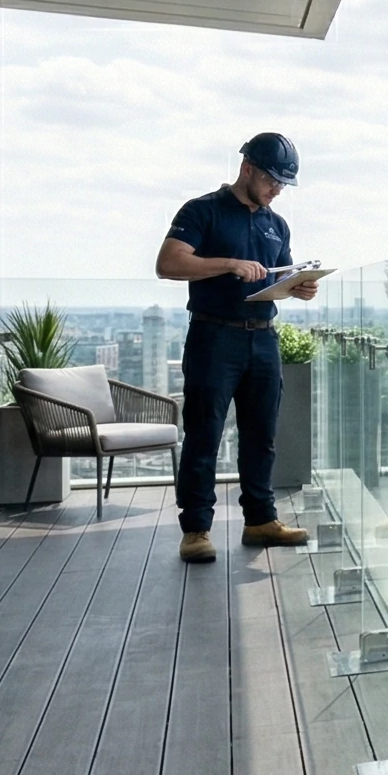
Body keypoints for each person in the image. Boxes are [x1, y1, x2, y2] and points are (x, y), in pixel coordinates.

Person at [156, 132, 317, 564]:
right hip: (214, 337)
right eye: (272, 181)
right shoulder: (202, 211)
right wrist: (228, 264)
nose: (276, 191)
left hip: (263, 337)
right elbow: (168, 264)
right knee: (205, 433)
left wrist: (295, 288)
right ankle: (196, 530)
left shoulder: (276, 224)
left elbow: (270, 280)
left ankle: (260, 520)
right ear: (247, 169)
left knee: (261, 435)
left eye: (283, 185)